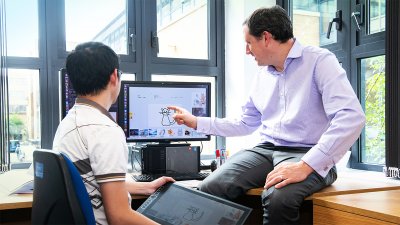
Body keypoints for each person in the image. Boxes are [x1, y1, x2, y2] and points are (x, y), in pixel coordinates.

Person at [168, 5, 366, 225]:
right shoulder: (262, 75)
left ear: (266, 38)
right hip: (267, 150)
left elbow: (351, 117)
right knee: (210, 187)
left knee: (278, 198)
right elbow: (245, 123)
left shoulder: (320, 61)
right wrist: (196, 122)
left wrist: (306, 165)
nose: (247, 51)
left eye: (249, 43)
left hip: (308, 153)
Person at [53, 42, 174, 225]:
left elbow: (90, 185)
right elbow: (119, 217)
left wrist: (147, 187)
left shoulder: (71, 120)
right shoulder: (104, 130)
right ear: (114, 76)